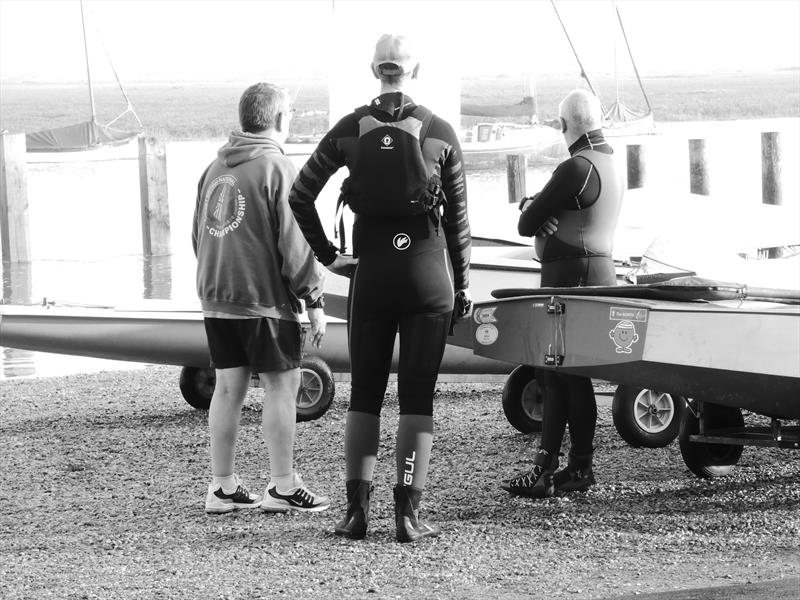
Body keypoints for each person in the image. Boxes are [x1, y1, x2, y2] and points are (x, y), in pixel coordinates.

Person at [288, 34, 472, 542]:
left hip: (371, 274)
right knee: (417, 399)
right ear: (416, 69)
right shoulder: (441, 132)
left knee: (365, 396)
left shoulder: (348, 130)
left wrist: (329, 257)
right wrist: (463, 287)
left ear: (375, 70)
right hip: (426, 275)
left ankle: (355, 515)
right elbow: (458, 223)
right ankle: (409, 517)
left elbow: (300, 196)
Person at [193, 82, 330, 515]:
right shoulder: (277, 167)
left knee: (228, 388)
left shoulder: (214, 168)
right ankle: (283, 486)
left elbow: (198, 236)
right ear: (279, 119)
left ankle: (223, 486)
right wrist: (315, 300)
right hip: (263, 300)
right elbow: (296, 242)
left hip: (217, 297)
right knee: (283, 386)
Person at [501, 88, 624, 498]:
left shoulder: (576, 167)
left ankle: (550, 469)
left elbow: (526, 223)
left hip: (570, 278)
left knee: (554, 373)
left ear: (563, 125)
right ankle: (575, 468)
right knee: (570, 377)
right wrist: (537, 206)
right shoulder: (608, 161)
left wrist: (533, 209)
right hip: (595, 272)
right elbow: (543, 209)